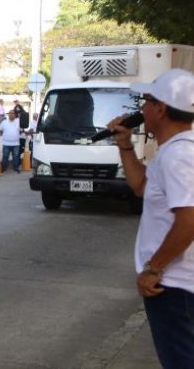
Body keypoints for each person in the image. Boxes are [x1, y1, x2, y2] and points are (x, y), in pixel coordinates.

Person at [107, 69, 194, 368]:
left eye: (146, 101)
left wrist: (153, 269)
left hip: (175, 285)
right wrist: (125, 145)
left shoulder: (179, 156)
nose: (140, 109)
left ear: (160, 108)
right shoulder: (174, 152)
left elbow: (190, 219)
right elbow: (142, 187)